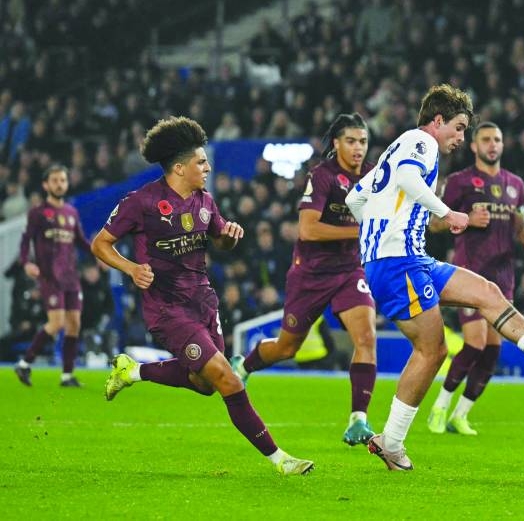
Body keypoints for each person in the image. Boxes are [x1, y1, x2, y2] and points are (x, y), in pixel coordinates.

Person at [345, 85, 524, 471]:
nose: (461, 138)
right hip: (399, 262)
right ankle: (392, 442)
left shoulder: (398, 146)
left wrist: (377, 231)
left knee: (488, 292)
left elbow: (354, 198)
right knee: (432, 351)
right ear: (438, 121)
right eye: (460, 128)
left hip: (407, 257)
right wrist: (447, 213)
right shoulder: (421, 141)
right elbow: (406, 178)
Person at [91, 116, 313, 476]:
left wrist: (229, 235)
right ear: (179, 168)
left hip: (204, 302)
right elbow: (100, 244)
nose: (208, 167)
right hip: (167, 309)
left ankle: (133, 372)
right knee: (228, 379)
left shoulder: (205, 200)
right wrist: (131, 268)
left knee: (205, 384)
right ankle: (280, 460)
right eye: (200, 162)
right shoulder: (142, 202)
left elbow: (221, 239)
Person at [231, 113, 380, 446]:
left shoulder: (373, 176)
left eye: (363, 142)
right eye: (351, 141)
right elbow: (308, 229)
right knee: (287, 346)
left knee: (366, 336)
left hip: (349, 270)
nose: (358, 148)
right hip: (310, 272)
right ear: (337, 143)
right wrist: (362, 229)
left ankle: (359, 419)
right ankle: (245, 362)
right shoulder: (323, 175)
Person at [425, 121, 524, 436]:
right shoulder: (460, 182)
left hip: (504, 276)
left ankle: (460, 415)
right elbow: (434, 222)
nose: (493, 144)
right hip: (470, 272)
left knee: (492, 349)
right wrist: (466, 220)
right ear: (474, 146)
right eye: (486, 139)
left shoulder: (515, 183)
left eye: (498, 139)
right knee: (474, 343)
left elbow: (520, 220)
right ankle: (438, 408)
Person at [14, 164, 90, 387]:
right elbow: (26, 240)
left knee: (74, 323)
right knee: (56, 323)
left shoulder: (72, 212)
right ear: (46, 185)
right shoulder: (38, 213)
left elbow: (80, 241)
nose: (59, 184)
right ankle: (25, 363)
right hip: (50, 276)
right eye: (55, 180)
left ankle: (67, 375)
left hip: (71, 276)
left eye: (63, 180)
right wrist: (26, 262)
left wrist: (99, 253)